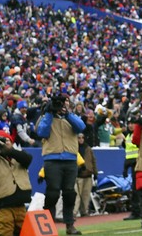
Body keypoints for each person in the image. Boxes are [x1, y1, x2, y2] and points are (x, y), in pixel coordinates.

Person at [35, 94, 85, 235]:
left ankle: (70, 225)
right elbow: (42, 132)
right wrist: (50, 113)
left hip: (70, 159)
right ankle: (48, 225)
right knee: (53, 192)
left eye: (66, 101)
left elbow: (81, 127)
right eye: (60, 102)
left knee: (69, 192)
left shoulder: (71, 117)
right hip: (52, 159)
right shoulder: (45, 117)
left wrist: (67, 114)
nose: (63, 104)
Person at [75, 132, 97, 218]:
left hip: (88, 175)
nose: (81, 139)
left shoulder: (88, 148)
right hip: (78, 175)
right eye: (79, 138)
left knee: (86, 196)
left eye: (82, 138)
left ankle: (84, 211)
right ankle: (74, 212)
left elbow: (93, 161)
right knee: (77, 196)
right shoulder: (74, 148)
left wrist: (95, 172)